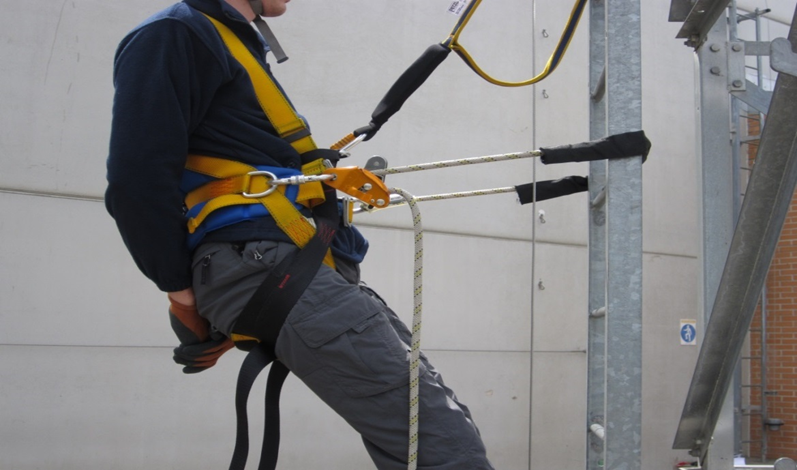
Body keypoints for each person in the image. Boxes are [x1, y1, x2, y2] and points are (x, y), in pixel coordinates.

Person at [105, 0, 494, 468]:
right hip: (264, 265)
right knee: (441, 445)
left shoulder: (225, 42)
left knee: (444, 425)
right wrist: (184, 298)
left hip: (287, 265)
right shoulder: (176, 34)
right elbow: (136, 180)